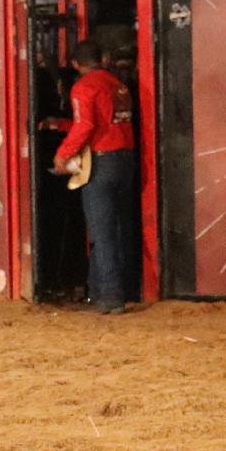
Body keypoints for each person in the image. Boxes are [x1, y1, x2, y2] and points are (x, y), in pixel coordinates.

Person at [51, 40, 136, 313]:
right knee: (119, 228)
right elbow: (104, 121)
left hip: (101, 161)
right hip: (125, 157)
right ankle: (104, 291)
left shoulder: (84, 86)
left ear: (76, 64)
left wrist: (63, 154)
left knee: (102, 232)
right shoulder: (117, 84)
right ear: (104, 58)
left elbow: (86, 124)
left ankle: (110, 296)